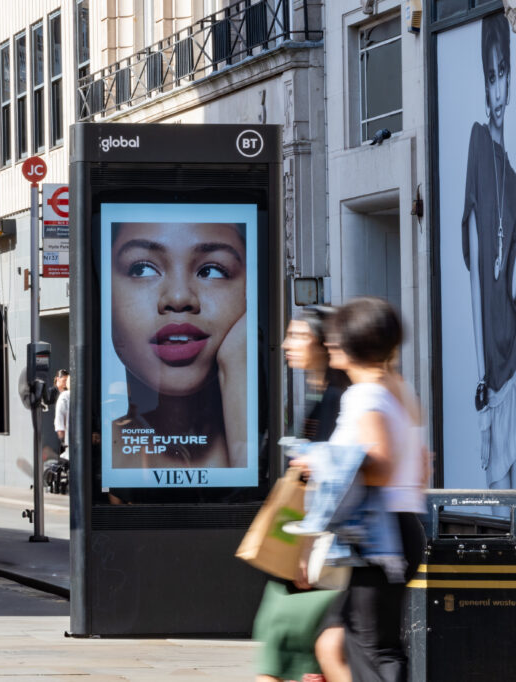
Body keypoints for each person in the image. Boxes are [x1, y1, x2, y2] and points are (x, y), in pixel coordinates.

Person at [309, 298, 426, 682]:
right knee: (338, 641)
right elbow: (423, 464)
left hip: (379, 538)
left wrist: (321, 462)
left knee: (376, 650)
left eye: (335, 337)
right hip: (397, 529)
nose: (328, 344)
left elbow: (380, 464)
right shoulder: (397, 390)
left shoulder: (364, 396)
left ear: (351, 344)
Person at [253, 306, 348, 682]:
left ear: (324, 345)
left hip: (318, 552)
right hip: (305, 548)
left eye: (298, 336)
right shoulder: (320, 394)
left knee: (290, 647)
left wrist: (306, 548)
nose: (286, 344)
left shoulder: (339, 400)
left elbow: (334, 483)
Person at [109, 221, 247, 469]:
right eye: (141, 269)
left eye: (212, 271)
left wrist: (237, 364)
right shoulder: (99, 455)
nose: (179, 297)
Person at [461, 13, 516, 490]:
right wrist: (483, 373)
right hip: (493, 367)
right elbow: (476, 270)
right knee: (496, 494)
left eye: (505, 73)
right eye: (491, 74)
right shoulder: (479, 144)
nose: (498, 87)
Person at [54, 372, 70, 456]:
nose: (65, 383)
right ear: (58, 379)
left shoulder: (65, 395)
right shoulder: (64, 396)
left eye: (67, 381)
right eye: (64, 380)